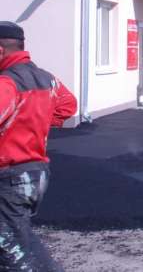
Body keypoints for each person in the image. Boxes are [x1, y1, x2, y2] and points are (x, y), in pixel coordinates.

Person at [0, 21, 77, 271]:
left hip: (9, 177)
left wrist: (16, 126)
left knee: (13, 254)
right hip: (35, 175)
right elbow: (68, 105)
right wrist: (36, 121)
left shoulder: (6, 83)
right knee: (21, 239)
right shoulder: (46, 78)